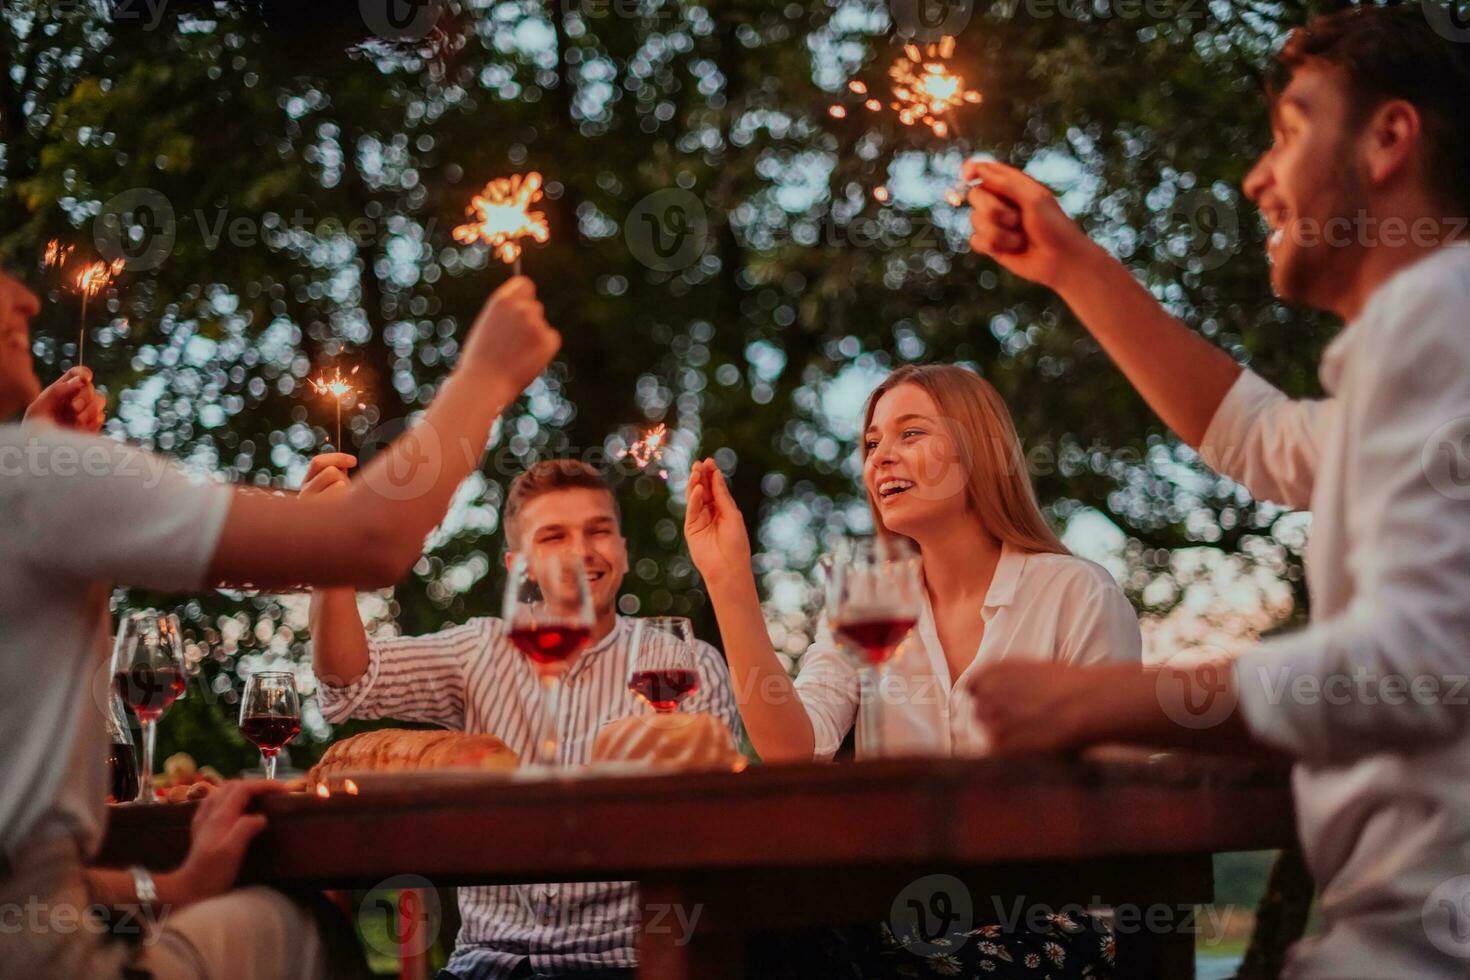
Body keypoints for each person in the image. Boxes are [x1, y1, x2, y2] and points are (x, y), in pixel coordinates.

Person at [961, 7, 1470, 978]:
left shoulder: (1438, 313)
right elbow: (1260, 435)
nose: (1257, 177)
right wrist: (1071, 262)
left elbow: (1416, 665)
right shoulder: (1434, 337)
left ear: (1390, 137)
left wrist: (1097, 702)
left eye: (1289, 131)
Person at [0, 268, 560, 979]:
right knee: (303, 921)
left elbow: (25, 885)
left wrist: (172, 887)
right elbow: (373, 541)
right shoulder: (29, 477)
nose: (25, 298)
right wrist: (487, 374)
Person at [684, 363, 1140, 977]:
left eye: (911, 434)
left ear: (977, 449)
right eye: (872, 444)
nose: (881, 458)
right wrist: (728, 576)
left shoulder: (1076, 593)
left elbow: (1114, 794)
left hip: (1042, 917)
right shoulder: (869, 602)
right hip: (895, 913)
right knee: (742, 944)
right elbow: (794, 748)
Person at [303, 455, 740, 980]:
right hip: (483, 965)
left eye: (598, 531)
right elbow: (348, 680)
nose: (581, 552)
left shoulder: (684, 664)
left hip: (623, 964)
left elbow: (714, 834)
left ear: (622, 551)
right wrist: (328, 557)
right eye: (553, 537)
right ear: (519, 566)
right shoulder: (480, 649)